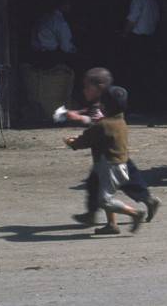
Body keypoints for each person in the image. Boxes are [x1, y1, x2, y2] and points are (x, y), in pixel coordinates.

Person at [67, 68, 160, 225]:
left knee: (111, 184)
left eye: (87, 87)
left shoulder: (104, 105)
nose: (84, 91)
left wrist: (75, 138)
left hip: (109, 156)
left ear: (100, 88)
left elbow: (96, 127)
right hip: (109, 153)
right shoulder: (113, 105)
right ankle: (107, 220)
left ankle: (138, 206)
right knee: (100, 183)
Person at [121, 0, 161, 110]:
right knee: (147, 72)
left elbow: (132, 19)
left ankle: (136, 105)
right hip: (150, 39)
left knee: (135, 73)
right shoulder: (153, 0)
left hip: (138, 39)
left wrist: (124, 33)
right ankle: (148, 104)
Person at [30, 0, 76, 69]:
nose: (70, 6)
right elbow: (65, 47)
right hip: (50, 58)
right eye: (69, 4)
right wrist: (73, 50)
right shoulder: (59, 22)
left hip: (35, 55)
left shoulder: (43, 17)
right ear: (64, 5)